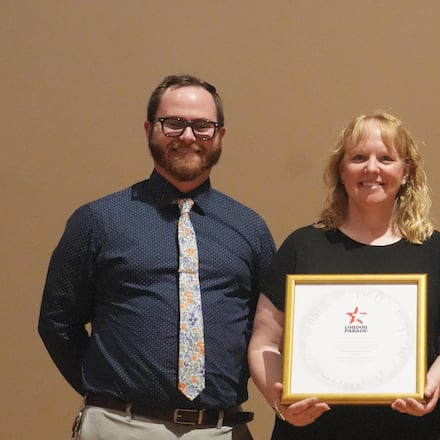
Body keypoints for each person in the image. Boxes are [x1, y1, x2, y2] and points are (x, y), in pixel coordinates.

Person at [38, 74, 276, 440]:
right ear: (150, 129)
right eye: (174, 123)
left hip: (219, 429)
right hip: (120, 425)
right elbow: (57, 322)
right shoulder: (98, 220)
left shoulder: (250, 228)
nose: (187, 135)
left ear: (220, 136)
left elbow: (270, 329)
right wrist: (105, 394)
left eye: (202, 126)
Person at [248, 111, 440, 439]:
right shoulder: (303, 246)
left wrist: (433, 383)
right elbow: (264, 342)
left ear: (405, 172)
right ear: (341, 170)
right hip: (313, 432)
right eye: (359, 157)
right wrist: (279, 399)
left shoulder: (434, 250)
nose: (372, 168)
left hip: (419, 431)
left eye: (386, 158)